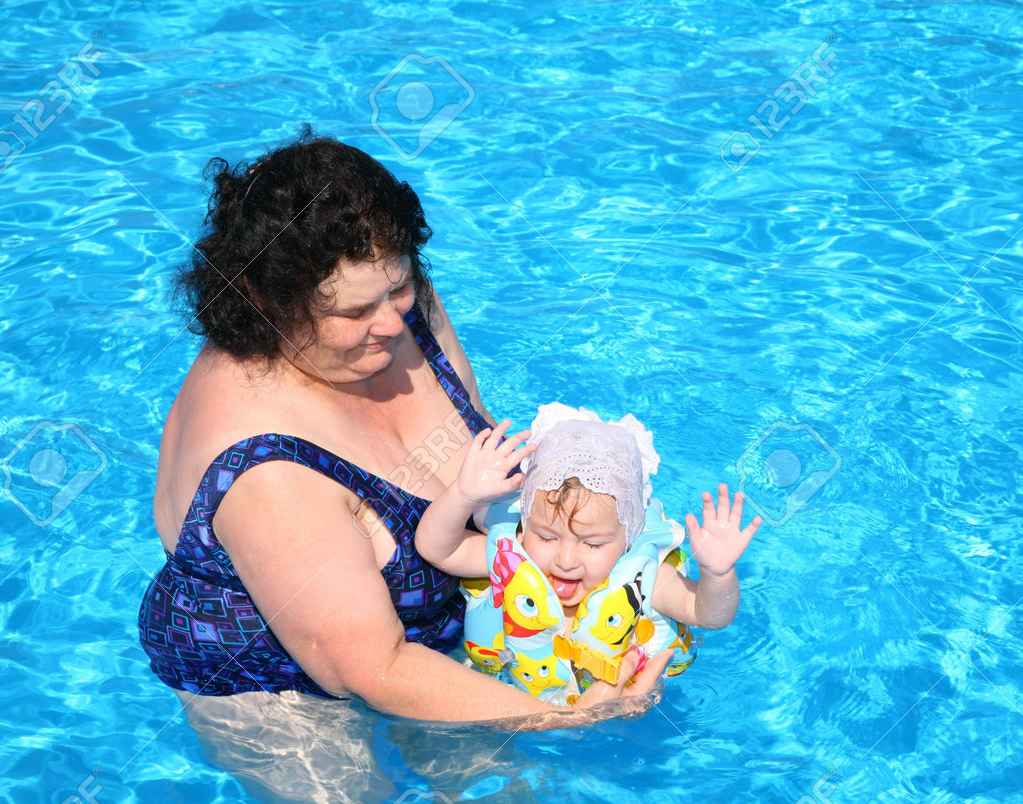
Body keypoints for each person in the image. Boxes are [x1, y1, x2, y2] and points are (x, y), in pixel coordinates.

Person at [136, 130, 667, 724]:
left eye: (400, 287)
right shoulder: (266, 470)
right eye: (356, 310)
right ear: (271, 305)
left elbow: (487, 469)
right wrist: (570, 718)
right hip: (284, 695)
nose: (392, 323)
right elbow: (376, 669)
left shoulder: (391, 309)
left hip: (444, 641)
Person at [415, 403, 761, 704]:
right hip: (511, 704)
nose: (566, 561)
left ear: (630, 534)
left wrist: (717, 574)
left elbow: (708, 615)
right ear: (526, 520)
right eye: (546, 537)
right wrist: (462, 495)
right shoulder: (513, 554)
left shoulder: (647, 579)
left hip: (618, 720)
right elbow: (437, 549)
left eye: (593, 544)